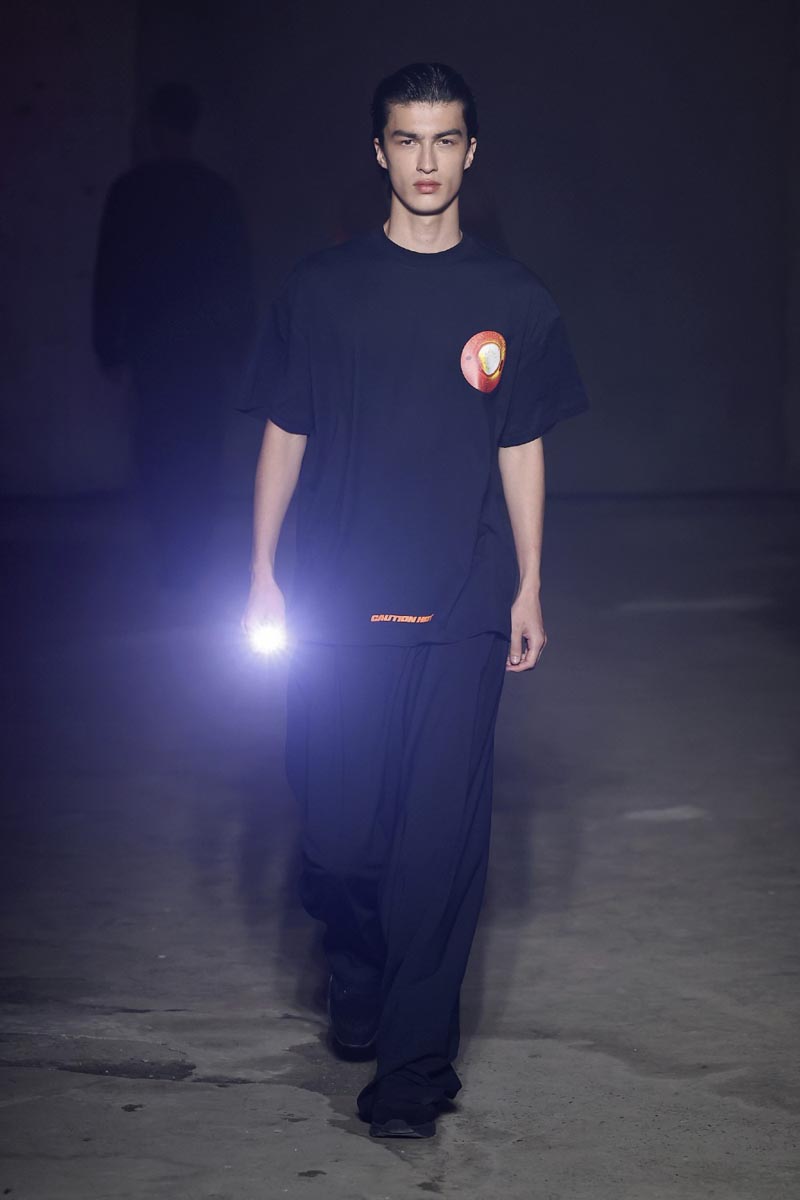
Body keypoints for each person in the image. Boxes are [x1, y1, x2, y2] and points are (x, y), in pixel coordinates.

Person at [242, 62, 588, 1139]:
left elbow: (520, 446)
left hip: (463, 603)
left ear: (470, 152)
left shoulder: (515, 301)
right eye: (407, 139)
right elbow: (284, 432)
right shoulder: (320, 290)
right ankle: (353, 961)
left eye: (445, 140)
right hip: (337, 599)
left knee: (438, 848)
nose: (426, 160)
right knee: (343, 839)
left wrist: (529, 583)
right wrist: (260, 572)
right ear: (379, 151)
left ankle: (412, 1074)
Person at [93, 83, 254, 590]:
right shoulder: (214, 193)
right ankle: (191, 563)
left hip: (153, 346)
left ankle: (169, 562)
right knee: (199, 453)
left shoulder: (131, 192)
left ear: (154, 127)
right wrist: (238, 344)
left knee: (158, 452)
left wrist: (109, 345)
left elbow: (110, 273)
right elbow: (236, 275)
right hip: (200, 349)